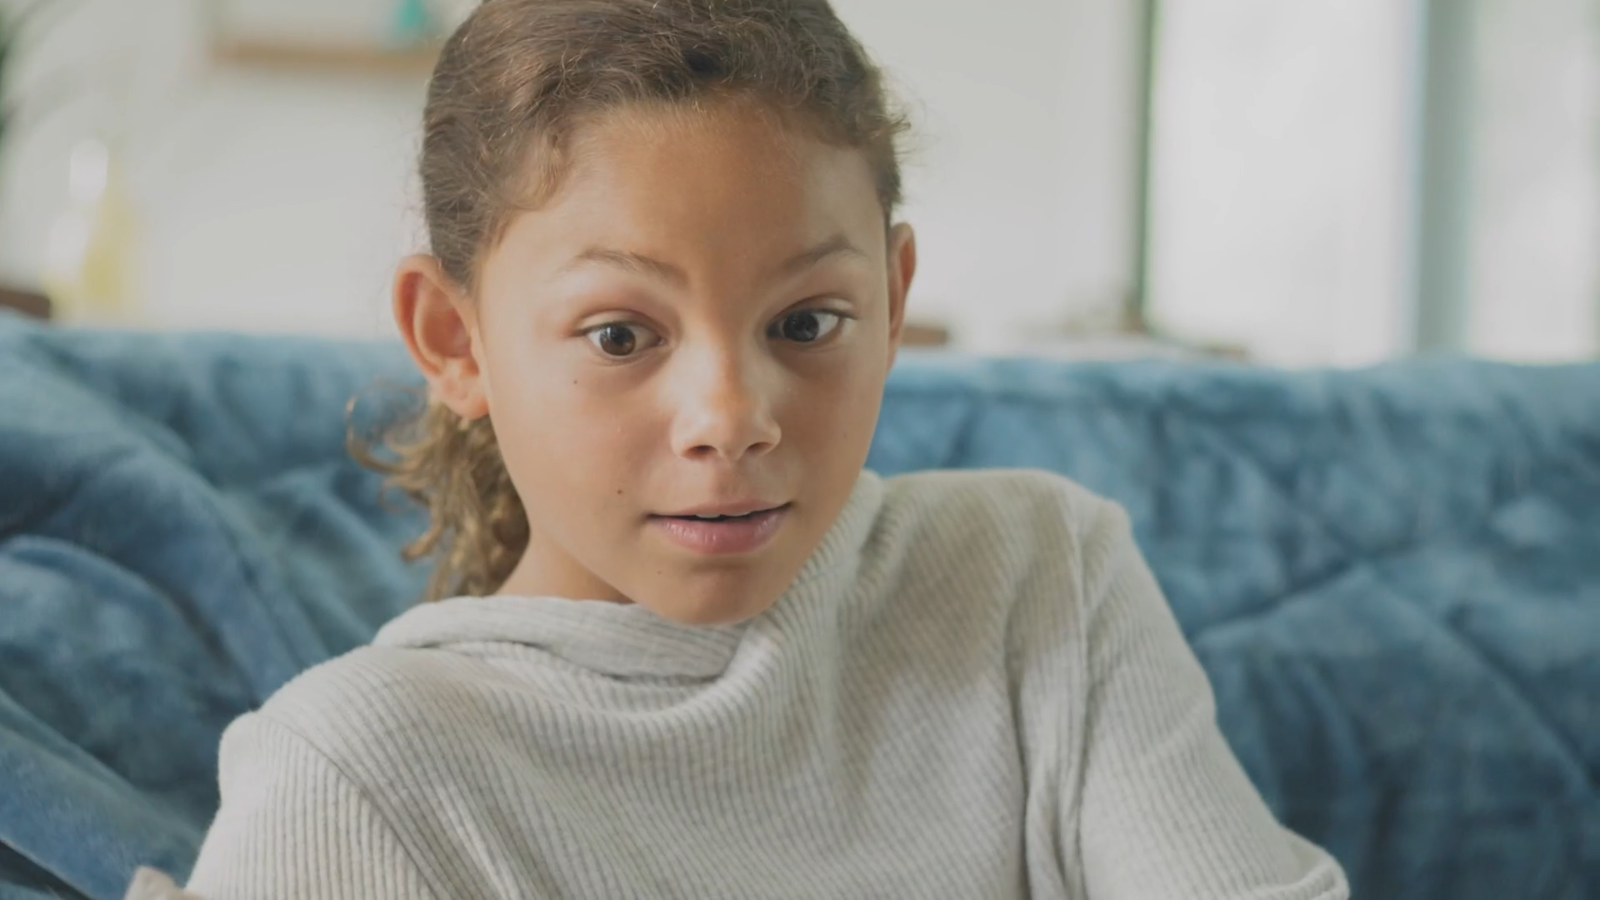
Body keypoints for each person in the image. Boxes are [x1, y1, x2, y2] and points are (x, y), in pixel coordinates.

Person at [161, 1, 1351, 897]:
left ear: (893, 299)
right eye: (620, 335)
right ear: (452, 338)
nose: (731, 417)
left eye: (807, 323)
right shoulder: (357, 775)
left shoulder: (1039, 579)